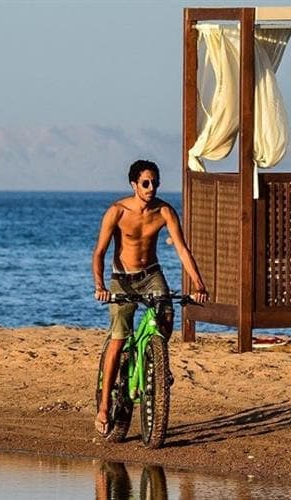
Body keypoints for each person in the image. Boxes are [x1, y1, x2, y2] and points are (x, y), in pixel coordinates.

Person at [92, 159, 208, 436]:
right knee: (118, 340)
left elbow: (181, 249)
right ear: (134, 185)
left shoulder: (164, 211)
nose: (151, 187)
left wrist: (199, 283)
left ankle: (157, 362)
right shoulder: (116, 212)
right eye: (146, 183)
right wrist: (100, 285)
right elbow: (99, 253)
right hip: (122, 279)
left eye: (155, 182)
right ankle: (105, 406)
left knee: (166, 315)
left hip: (151, 275)